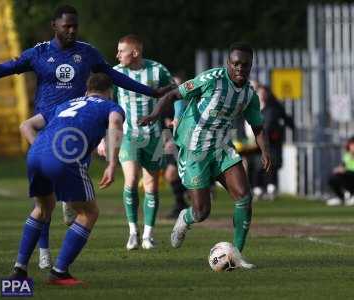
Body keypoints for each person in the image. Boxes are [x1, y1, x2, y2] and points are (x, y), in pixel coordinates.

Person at [0, 5, 164, 268]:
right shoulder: (39, 53)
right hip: (47, 124)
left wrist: (151, 92)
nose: (72, 30)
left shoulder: (86, 53)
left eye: (75, 25)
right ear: (55, 26)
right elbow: (2, 70)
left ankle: (37, 255)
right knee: (46, 202)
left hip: (78, 134)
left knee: (53, 202)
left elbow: (115, 77)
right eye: (67, 26)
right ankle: (44, 252)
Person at [139, 42, 272, 268]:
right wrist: (154, 115)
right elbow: (173, 95)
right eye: (235, 63)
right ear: (228, 64)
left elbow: (257, 126)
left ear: (251, 66)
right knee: (202, 212)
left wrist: (265, 151)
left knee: (244, 198)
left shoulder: (249, 94)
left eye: (245, 64)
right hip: (194, 150)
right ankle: (185, 218)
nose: (240, 68)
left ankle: (236, 255)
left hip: (222, 148)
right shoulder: (213, 79)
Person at [11, 73, 124, 285]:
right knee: (89, 212)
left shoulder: (65, 104)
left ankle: (19, 269)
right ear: (110, 92)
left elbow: (26, 125)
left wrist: (42, 150)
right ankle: (59, 272)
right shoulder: (110, 106)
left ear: (86, 90)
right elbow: (116, 123)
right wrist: (111, 163)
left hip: (36, 153)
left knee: (43, 208)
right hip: (65, 156)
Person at [102, 34, 174, 250]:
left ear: (134, 53)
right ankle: (133, 232)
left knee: (151, 185)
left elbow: (174, 94)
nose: (117, 55)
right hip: (129, 135)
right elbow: (106, 104)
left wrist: (174, 122)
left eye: (121, 51)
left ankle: (148, 235)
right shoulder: (116, 73)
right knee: (131, 180)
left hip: (154, 136)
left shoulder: (158, 70)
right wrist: (103, 138)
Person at [252, 84, 294, 200]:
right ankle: (258, 189)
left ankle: (271, 189)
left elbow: (285, 120)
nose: (262, 95)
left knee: (271, 165)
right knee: (258, 166)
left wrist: (281, 131)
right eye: (260, 93)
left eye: (264, 93)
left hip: (272, 143)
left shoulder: (274, 107)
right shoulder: (254, 107)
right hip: (257, 143)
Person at [162, 75, 189, 219]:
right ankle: (181, 203)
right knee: (172, 175)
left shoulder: (185, 102)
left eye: (177, 85)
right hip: (171, 143)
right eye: (173, 85)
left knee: (173, 174)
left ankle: (182, 203)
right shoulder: (166, 103)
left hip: (184, 142)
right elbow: (164, 124)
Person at [326, 136, 354, 206]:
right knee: (333, 178)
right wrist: (339, 169)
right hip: (348, 177)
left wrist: (345, 171)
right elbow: (343, 166)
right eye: (351, 145)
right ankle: (341, 198)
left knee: (348, 174)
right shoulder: (347, 156)